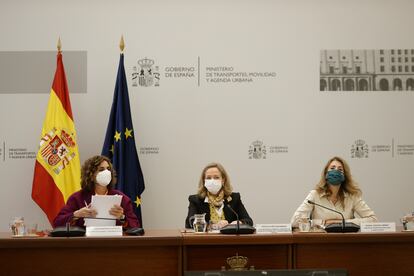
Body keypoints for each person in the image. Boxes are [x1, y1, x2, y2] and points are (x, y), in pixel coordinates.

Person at [53, 155, 139, 228]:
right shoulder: (77, 198)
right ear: (91, 175)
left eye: (108, 169)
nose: (106, 172)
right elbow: (57, 223)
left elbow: (136, 226)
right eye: (101, 169)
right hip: (86, 244)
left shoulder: (123, 199)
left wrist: (122, 217)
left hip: (114, 244)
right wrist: (76, 214)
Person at [291, 156, 377, 228]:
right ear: (326, 174)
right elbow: (294, 221)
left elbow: (373, 219)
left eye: (340, 169)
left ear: (344, 176)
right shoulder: (315, 195)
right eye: (332, 168)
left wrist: (345, 223)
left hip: (346, 241)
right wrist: (323, 222)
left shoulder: (352, 196)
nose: (336, 171)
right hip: (320, 241)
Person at [185, 162, 253, 229]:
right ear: (204, 181)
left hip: (229, 239)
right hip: (205, 239)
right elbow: (190, 223)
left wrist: (238, 223)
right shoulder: (195, 200)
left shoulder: (234, 198)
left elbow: (249, 221)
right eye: (208, 178)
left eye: (216, 177)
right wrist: (214, 225)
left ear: (223, 180)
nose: (212, 181)